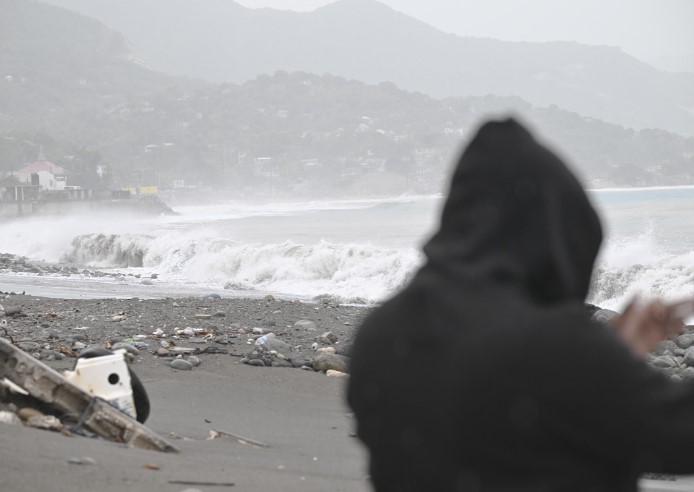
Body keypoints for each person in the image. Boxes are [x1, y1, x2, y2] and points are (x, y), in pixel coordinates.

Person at [346, 118, 692, 492]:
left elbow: (486, 416)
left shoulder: (379, 336)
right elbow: (681, 439)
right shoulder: (559, 352)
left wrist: (611, 359)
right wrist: (598, 363)